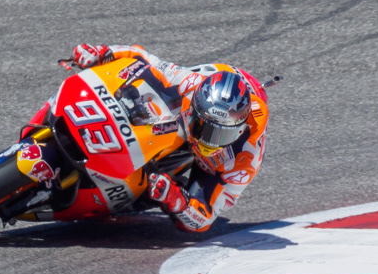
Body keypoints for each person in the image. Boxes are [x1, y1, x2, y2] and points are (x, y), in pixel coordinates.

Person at [67, 43, 271, 232]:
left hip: (215, 161)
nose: (208, 141)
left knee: (185, 224)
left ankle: (164, 178)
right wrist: (103, 52)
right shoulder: (189, 83)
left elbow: (205, 219)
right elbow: (143, 59)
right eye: (203, 127)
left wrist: (178, 200)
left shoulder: (246, 157)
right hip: (208, 88)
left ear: (239, 130)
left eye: (221, 134)